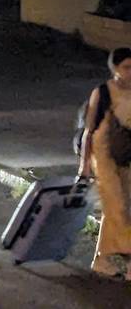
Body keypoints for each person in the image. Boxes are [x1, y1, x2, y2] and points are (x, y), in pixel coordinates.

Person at [77, 46, 131, 278]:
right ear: (114, 68)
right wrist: (84, 165)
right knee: (116, 206)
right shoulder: (102, 92)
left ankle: (102, 259)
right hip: (103, 154)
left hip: (127, 154)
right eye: (126, 67)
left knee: (125, 209)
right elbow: (89, 131)